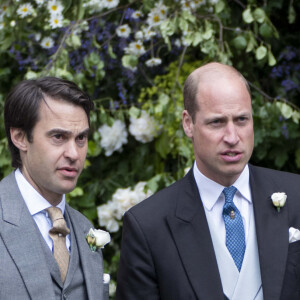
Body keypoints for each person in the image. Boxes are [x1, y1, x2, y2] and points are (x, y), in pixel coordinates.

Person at [116, 62, 300, 300]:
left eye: (242, 119)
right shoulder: (148, 226)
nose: (232, 137)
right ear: (188, 123)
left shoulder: (296, 196)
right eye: (217, 122)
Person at [0, 77, 109, 300]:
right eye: (58, 137)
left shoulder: (84, 229)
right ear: (20, 137)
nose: (74, 153)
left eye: (81, 138)